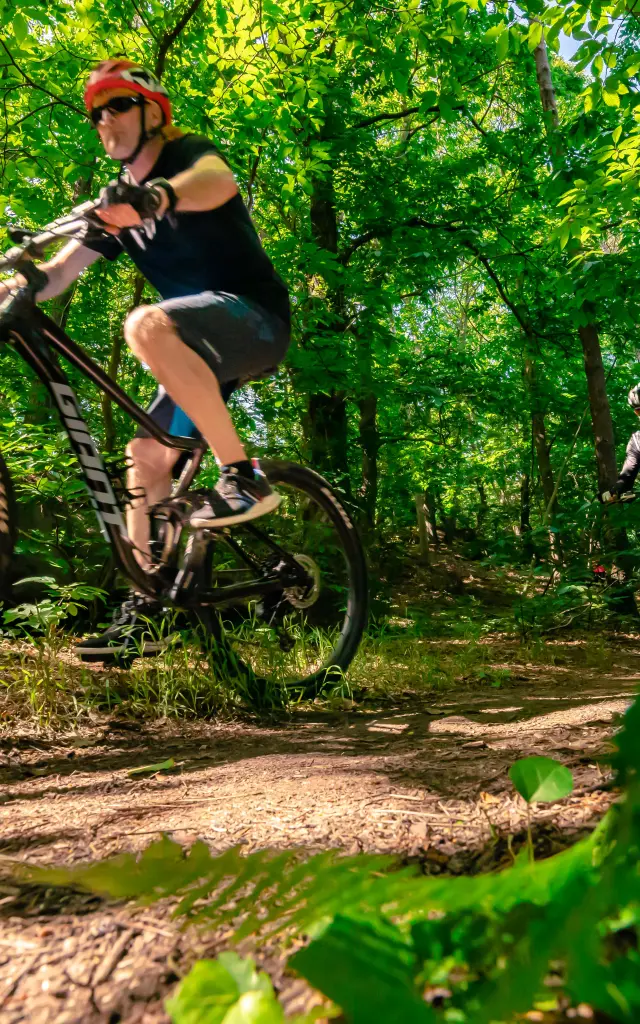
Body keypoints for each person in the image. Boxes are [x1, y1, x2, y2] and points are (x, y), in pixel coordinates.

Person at [0, 59, 291, 659]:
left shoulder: (185, 157)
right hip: (196, 351)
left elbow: (217, 182)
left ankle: (243, 476)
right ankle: (148, 609)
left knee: (145, 323)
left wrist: (157, 197)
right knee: (145, 456)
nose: (104, 119)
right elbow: (60, 273)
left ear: (152, 113)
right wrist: (18, 283)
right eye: (96, 113)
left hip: (254, 321)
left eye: (118, 105)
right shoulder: (113, 207)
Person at [600, 385, 640, 503]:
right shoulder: (637, 440)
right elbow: (626, 477)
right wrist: (613, 492)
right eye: (639, 411)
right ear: (636, 413)